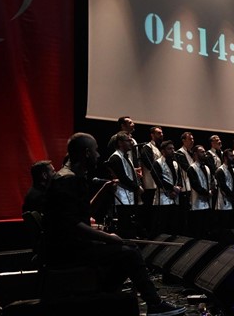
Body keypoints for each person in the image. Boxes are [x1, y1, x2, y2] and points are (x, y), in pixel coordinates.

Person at [42, 132, 185, 316]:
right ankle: (149, 303)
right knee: (129, 253)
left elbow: (84, 214)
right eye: (95, 150)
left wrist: (103, 190)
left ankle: (108, 295)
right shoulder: (67, 180)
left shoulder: (69, 177)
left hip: (70, 246)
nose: (98, 155)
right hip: (67, 251)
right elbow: (74, 225)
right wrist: (108, 237)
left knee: (128, 248)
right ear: (86, 152)